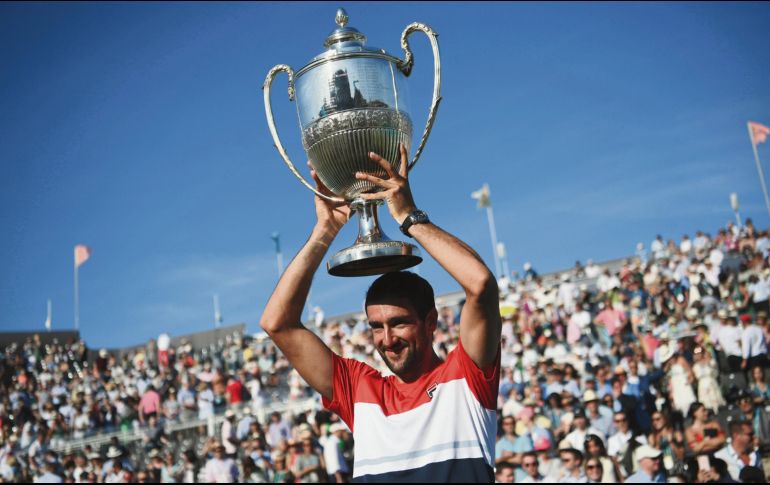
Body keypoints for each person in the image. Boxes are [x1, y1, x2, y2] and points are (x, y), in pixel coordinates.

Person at [259, 145, 502, 482]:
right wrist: (326, 229)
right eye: (376, 327)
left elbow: (481, 283)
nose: (387, 340)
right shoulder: (360, 390)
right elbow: (277, 324)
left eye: (399, 323)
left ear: (430, 322)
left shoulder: (466, 376)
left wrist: (409, 218)